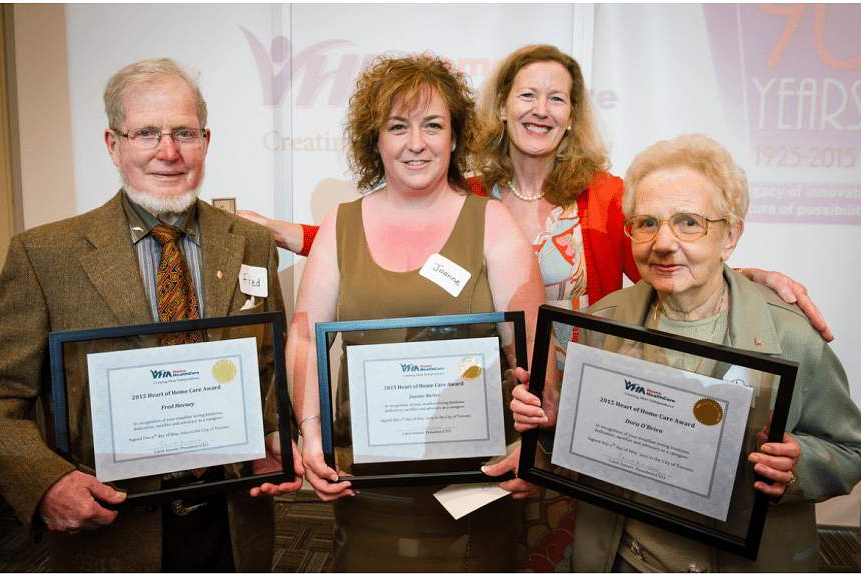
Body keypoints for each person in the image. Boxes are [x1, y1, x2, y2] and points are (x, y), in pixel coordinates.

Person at [242, 43, 833, 571]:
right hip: (472, 426)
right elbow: (382, 251)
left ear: (572, 113)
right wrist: (278, 231)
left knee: (588, 546)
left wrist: (747, 275)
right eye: (527, 93)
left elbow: (668, 254)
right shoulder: (473, 187)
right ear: (500, 106)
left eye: (557, 97)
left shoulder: (606, 196)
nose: (540, 108)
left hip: (586, 410)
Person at [0, 58, 302, 572]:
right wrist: (45, 482)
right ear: (112, 144)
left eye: (184, 133)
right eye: (146, 133)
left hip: (234, 516)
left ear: (205, 141)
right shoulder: (45, 255)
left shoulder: (250, 243)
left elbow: (267, 367)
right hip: (112, 529)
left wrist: (278, 431)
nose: (168, 153)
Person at [512, 133, 861, 572]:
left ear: (730, 235)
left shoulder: (788, 334)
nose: (663, 242)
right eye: (647, 222)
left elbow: (851, 450)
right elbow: (583, 448)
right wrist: (551, 424)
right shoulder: (602, 323)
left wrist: (798, 463)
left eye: (689, 222)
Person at [287, 53, 548, 571]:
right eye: (398, 127)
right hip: (367, 487)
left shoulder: (491, 223)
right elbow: (303, 337)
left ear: (454, 137)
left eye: (433, 125)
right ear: (375, 139)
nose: (416, 143)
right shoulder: (340, 225)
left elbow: (534, 349)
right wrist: (311, 433)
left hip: (475, 486)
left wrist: (533, 444)